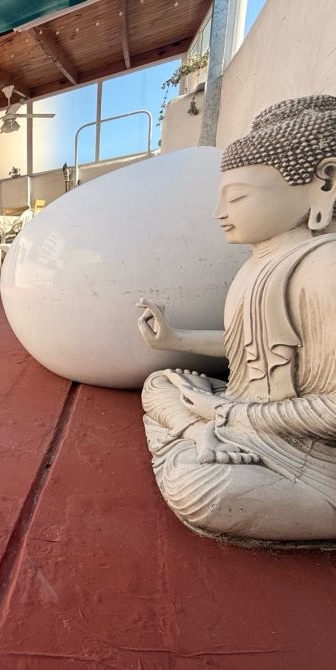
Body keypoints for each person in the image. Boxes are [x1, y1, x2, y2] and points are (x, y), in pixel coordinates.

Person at [136, 96, 336, 543]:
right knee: (160, 383)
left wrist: (227, 412)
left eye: (238, 197)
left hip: (311, 456)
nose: (219, 213)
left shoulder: (326, 267)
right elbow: (248, 349)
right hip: (243, 416)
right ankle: (199, 435)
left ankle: (196, 442)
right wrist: (174, 338)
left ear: (324, 182)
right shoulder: (256, 264)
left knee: (201, 490)